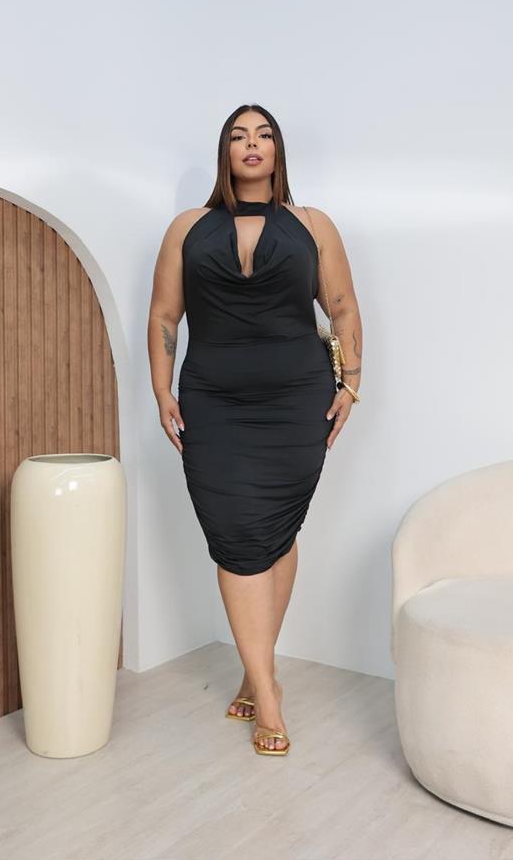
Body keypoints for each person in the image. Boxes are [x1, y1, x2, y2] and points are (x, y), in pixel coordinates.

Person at [147, 104, 362, 755]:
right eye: (239, 135)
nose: (251, 144)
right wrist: (161, 389)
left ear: (277, 151)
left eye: (263, 135)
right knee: (237, 536)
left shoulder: (312, 225)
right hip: (213, 403)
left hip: (297, 402)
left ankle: (254, 672)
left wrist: (351, 381)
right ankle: (268, 693)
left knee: (276, 531)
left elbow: (342, 307)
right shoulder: (188, 228)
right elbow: (164, 315)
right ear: (225, 151)